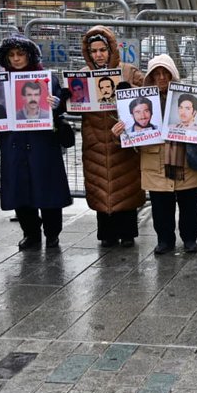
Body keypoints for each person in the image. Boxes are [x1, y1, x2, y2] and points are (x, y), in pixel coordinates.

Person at [117, 54, 197, 255]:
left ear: (174, 75)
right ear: (150, 78)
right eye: (156, 74)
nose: (161, 78)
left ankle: (190, 238)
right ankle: (164, 240)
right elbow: (133, 131)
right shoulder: (142, 102)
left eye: (166, 73)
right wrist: (121, 130)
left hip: (186, 158)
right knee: (161, 206)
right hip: (154, 159)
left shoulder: (188, 98)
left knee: (190, 203)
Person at [0, 35, 72, 250]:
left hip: (43, 143)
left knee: (48, 189)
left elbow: (61, 105)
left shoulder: (47, 78)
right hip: (14, 143)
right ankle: (30, 233)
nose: (17, 59)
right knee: (20, 190)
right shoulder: (0, 81)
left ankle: (52, 233)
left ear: (30, 55)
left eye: (20, 54)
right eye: (11, 55)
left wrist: (57, 104)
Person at [79, 26, 146, 248]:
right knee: (100, 187)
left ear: (111, 50)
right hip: (95, 141)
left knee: (127, 185)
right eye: (94, 51)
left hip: (124, 140)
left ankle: (127, 232)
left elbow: (148, 91)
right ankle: (106, 233)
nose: (98, 55)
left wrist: (130, 87)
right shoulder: (82, 74)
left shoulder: (128, 71)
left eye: (102, 50)